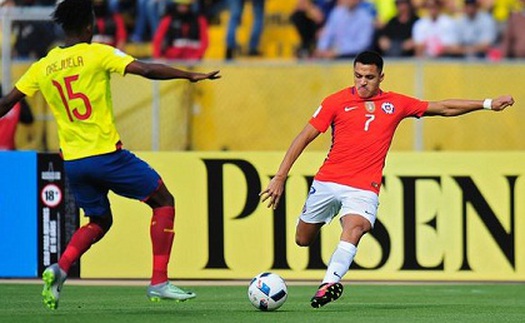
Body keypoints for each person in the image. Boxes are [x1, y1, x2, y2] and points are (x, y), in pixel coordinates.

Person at [0, 0, 220, 310]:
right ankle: (159, 282)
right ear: (90, 27)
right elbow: (145, 69)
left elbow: (7, 103)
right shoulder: (98, 53)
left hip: (74, 163)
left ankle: (60, 268)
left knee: (99, 220)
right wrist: (189, 75)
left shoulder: (42, 66)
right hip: (107, 156)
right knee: (164, 201)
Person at [259, 50, 514, 308]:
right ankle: (329, 267)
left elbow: (443, 107)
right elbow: (303, 137)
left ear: (381, 77)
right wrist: (280, 177)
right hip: (328, 181)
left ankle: (329, 282)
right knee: (302, 239)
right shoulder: (335, 102)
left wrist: (487, 103)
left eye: (369, 77)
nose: (362, 82)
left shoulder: (396, 103)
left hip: (363, 187)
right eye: (358, 76)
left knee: (355, 228)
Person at [0, 84, 34, 150]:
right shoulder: (15, 106)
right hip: (9, 151)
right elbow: (28, 119)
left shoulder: (14, 105)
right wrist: (19, 97)